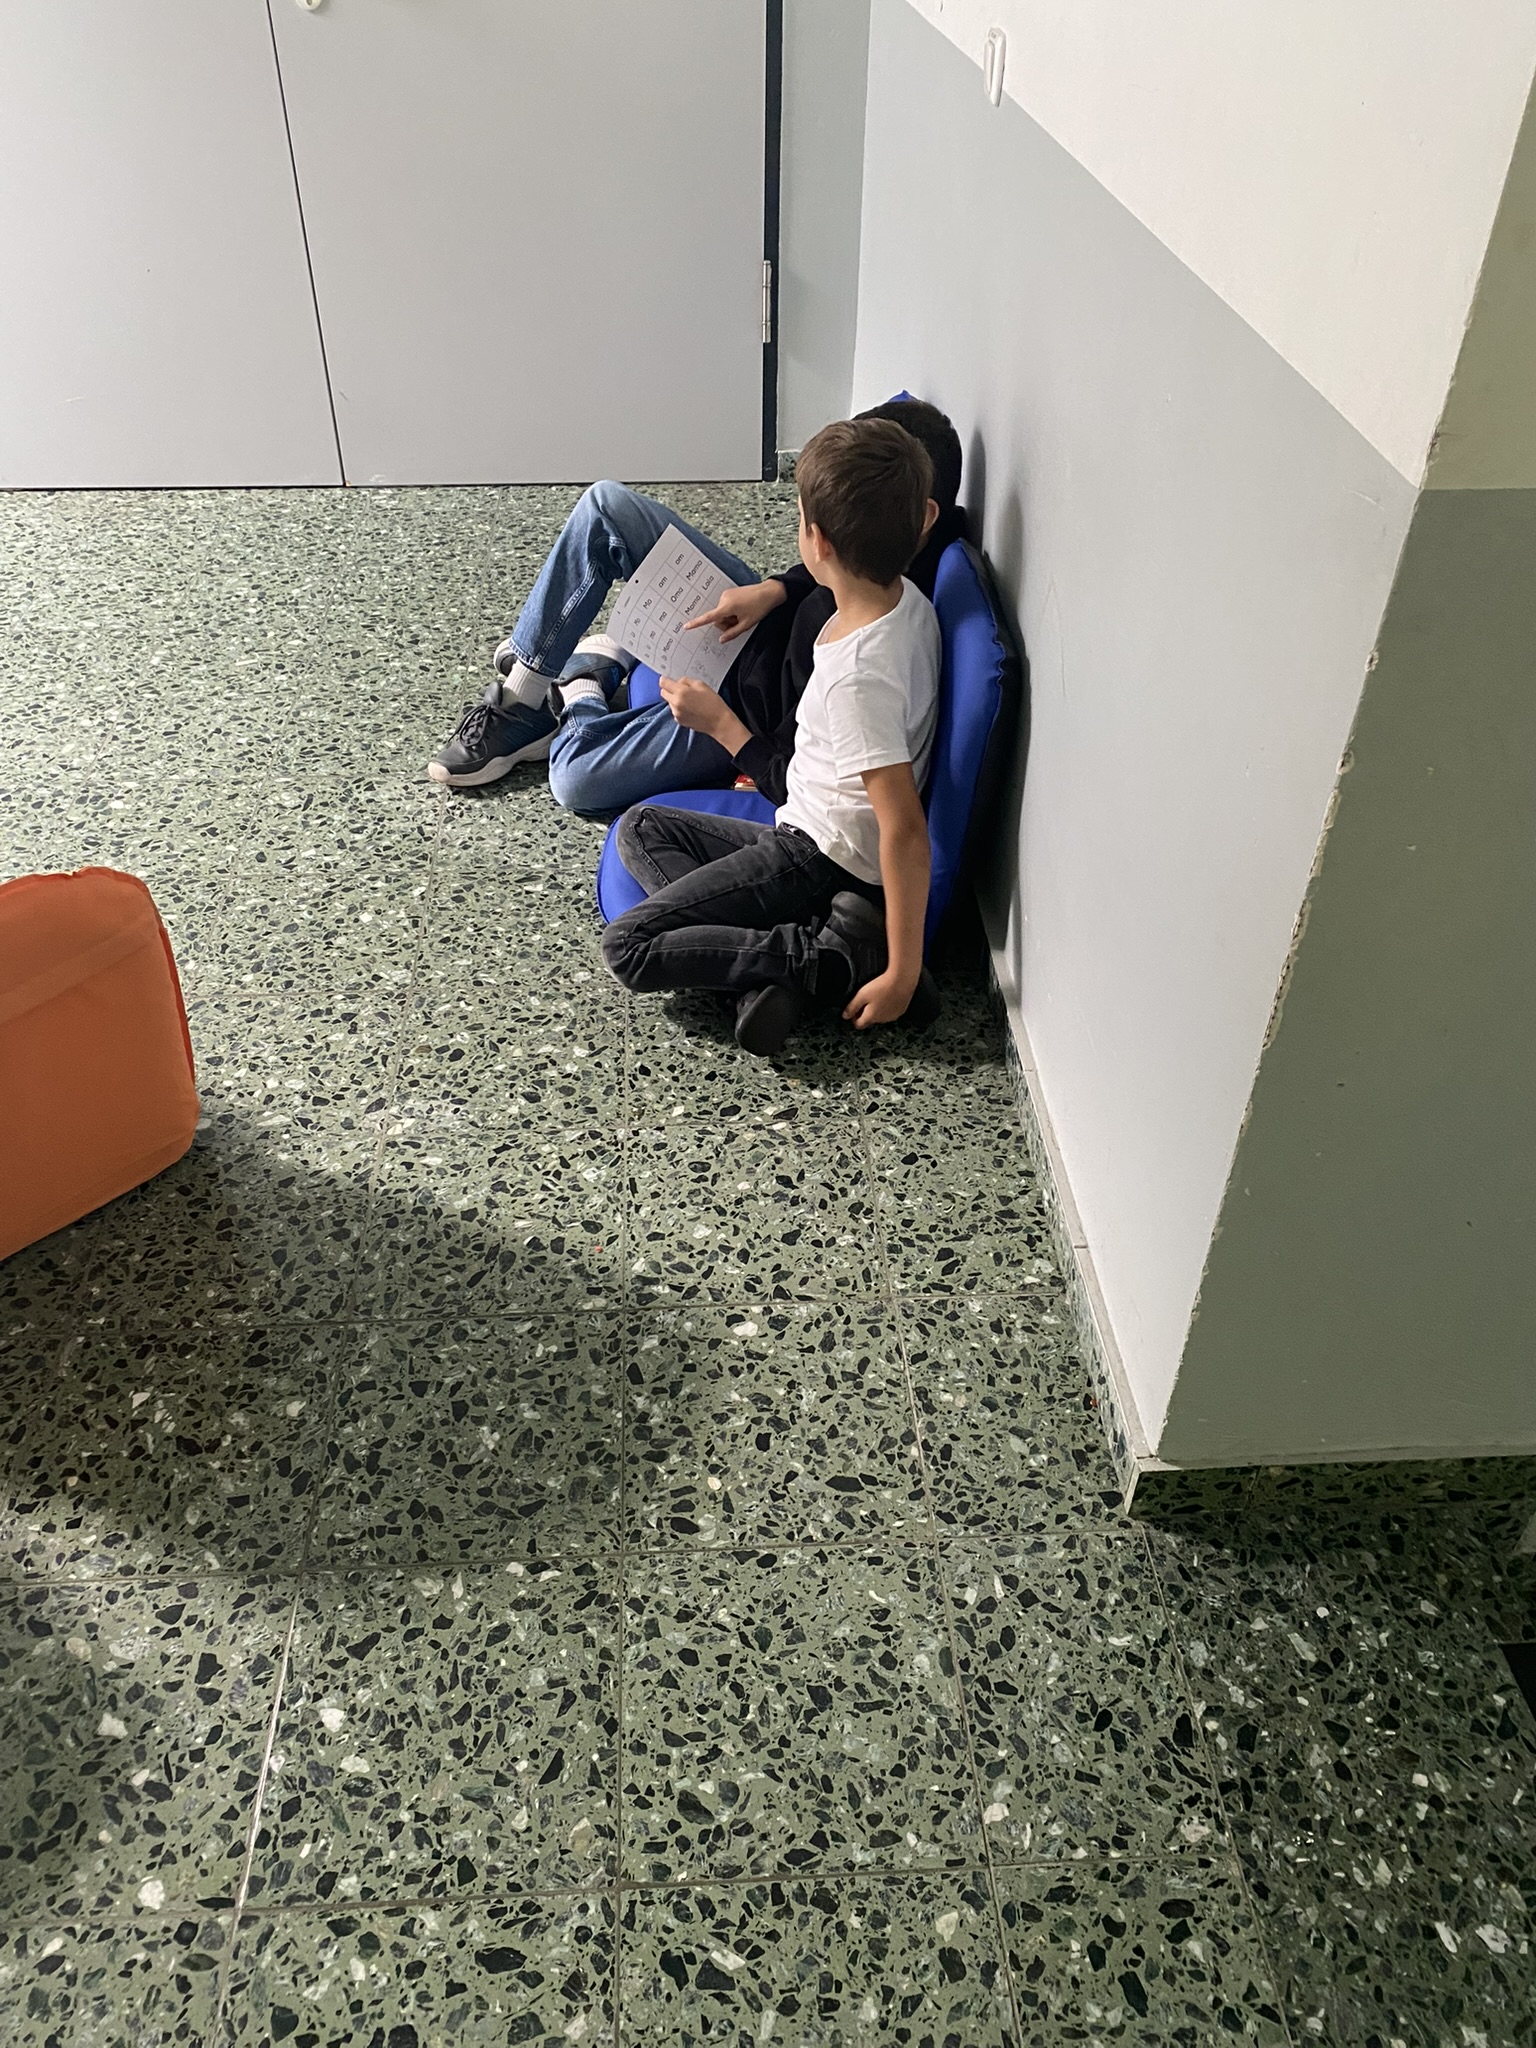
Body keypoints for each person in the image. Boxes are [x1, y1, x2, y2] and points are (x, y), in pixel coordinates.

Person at [426, 398, 966, 807]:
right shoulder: (898, 536)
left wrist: (725, 728)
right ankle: (522, 698)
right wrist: (776, 588)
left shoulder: (872, 652)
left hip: (743, 714)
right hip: (758, 623)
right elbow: (835, 560)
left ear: (924, 515)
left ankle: (584, 681)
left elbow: (797, 777)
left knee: (575, 779)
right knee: (605, 507)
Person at [599, 416, 942, 1059]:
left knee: (628, 946)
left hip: (821, 855)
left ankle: (825, 961)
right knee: (640, 827)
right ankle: (774, 971)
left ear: (816, 541)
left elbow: (903, 828)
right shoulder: (907, 601)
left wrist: (902, 970)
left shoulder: (859, 677)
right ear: (924, 520)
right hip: (810, 834)